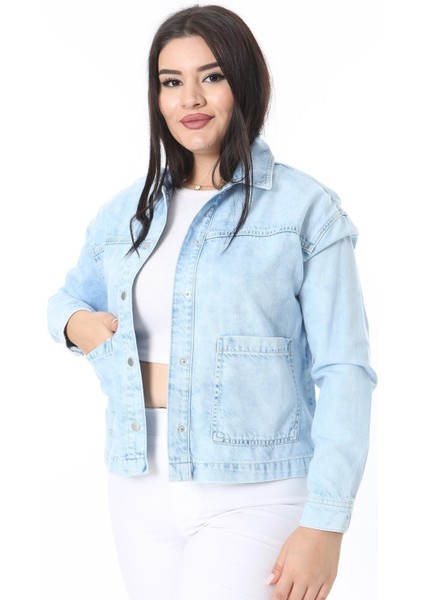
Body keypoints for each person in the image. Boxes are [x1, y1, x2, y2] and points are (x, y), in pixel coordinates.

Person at [47, 4, 377, 599]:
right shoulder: (127, 213)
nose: (191, 99)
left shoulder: (305, 210)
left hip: (257, 490)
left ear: (244, 83)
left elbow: (345, 370)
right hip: (138, 483)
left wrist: (326, 521)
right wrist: (75, 325)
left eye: (212, 76)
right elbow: (69, 297)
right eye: (171, 82)